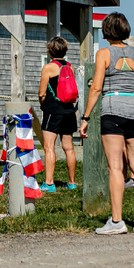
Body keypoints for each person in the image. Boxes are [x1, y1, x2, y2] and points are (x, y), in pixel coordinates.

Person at [80, 12, 134, 235]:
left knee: (114, 167)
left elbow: (96, 88)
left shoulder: (104, 53)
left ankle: (116, 221)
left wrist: (85, 118)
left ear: (106, 31)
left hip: (112, 109)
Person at [36, 37, 78, 192]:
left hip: (53, 110)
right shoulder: (70, 67)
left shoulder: (48, 68)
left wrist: (43, 105)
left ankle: (49, 183)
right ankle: (72, 182)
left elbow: (42, 93)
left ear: (50, 50)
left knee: (49, 147)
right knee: (69, 148)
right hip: (69, 110)